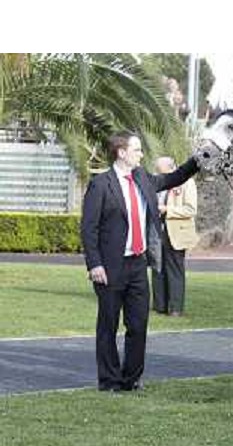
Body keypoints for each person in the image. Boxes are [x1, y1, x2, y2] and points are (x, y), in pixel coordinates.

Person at [81, 131, 200, 392]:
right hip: (110, 267)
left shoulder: (142, 178)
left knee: (138, 324)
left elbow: (172, 178)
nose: (141, 154)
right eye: (136, 150)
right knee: (108, 325)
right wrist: (94, 265)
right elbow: (88, 229)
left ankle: (131, 378)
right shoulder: (101, 184)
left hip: (137, 264)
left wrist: (196, 161)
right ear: (121, 152)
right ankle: (110, 380)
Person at [151, 156, 199, 317]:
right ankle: (159, 305)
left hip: (176, 232)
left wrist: (167, 209)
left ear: (171, 168)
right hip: (157, 231)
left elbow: (191, 210)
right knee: (158, 268)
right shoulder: (158, 182)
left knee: (174, 270)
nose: (158, 174)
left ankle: (175, 308)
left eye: (160, 171)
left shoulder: (187, 183)